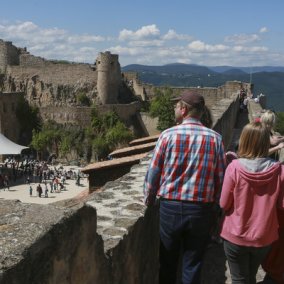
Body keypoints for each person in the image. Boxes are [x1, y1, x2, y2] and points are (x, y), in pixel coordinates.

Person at [143, 91, 226, 284]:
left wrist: (149, 198)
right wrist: (215, 208)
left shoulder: (167, 135)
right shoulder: (215, 139)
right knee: (193, 264)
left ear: (183, 109)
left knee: (167, 262)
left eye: (176, 105)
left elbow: (154, 172)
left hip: (170, 208)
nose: (174, 108)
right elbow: (220, 178)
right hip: (200, 210)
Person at [219, 122, 284, 284]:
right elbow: (280, 205)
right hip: (263, 237)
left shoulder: (234, 168)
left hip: (235, 235)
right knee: (251, 275)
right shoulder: (279, 171)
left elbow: (223, 204)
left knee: (239, 279)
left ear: (245, 141)